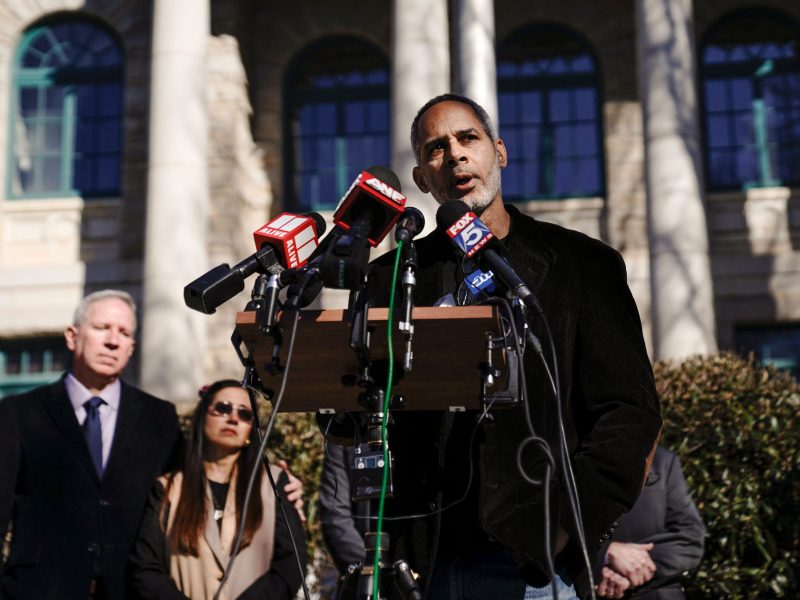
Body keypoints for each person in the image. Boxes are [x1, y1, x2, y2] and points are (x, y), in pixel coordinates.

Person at [321, 94, 663, 599]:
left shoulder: (582, 264)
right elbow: (354, 412)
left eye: (468, 138)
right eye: (436, 148)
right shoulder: (390, 278)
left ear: (498, 152)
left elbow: (630, 413)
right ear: (422, 179)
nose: (455, 155)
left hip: (534, 565)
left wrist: (565, 526)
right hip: (422, 562)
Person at [0, 290, 184, 600]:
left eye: (124, 333)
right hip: (37, 590)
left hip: (130, 590)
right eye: (102, 328)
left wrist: (275, 481)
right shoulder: (19, 414)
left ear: (131, 349)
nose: (113, 340)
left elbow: (194, 486)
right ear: (73, 337)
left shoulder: (159, 418)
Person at [128, 379, 307, 599]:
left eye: (245, 415)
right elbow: (145, 567)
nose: (233, 419)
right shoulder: (168, 488)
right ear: (203, 416)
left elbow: (291, 562)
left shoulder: (273, 484)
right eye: (223, 408)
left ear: (251, 430)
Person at [594, 446, 705, 600]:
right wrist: (603, 555)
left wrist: (629, 570)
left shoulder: (662, 460)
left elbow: (690, 538)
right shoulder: (567, 459)